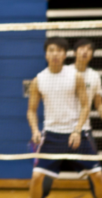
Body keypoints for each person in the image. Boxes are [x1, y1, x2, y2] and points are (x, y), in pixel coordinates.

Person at [27, 37, 102, 198]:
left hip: (77, 135)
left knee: (98, 176)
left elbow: (85, 106)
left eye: (59, 51)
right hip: (51, 135)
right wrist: (35, 130)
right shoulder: (38, 80)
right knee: (36, 178)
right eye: (51, 50)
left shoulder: (76, 76)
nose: (55, 54)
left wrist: (77, 130)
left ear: (65, 55)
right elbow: (31, 111)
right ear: (46, 54)